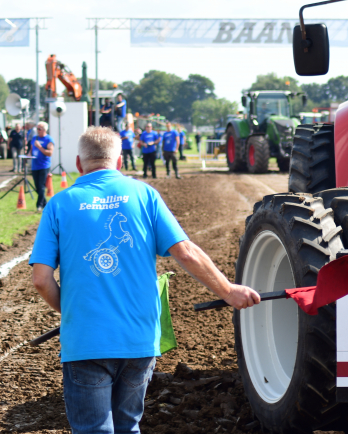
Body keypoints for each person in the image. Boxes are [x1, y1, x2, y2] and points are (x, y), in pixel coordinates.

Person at [29, 126, 260, 434]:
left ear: (78, 163)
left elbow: (41, 280)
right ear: (119, 161)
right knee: (128, 426)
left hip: (87, 341)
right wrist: (229, 290)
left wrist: (71, 313)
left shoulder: (59, 204)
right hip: (138, 340)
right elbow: (187, 253)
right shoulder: (145, 195)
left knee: (93, 429)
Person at [30, 121, 54, 212]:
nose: (38, 130)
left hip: (44, 165)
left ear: (44, 129)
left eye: (39, 128)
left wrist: (40, 147)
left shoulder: (49, 139)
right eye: (37, 128)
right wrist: (27, 156)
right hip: (34, 165)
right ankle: (46, 204)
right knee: (37, 187)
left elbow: (50, 153)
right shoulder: (34, 138)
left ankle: (39, 206)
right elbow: (31, 150)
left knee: (41, 186)